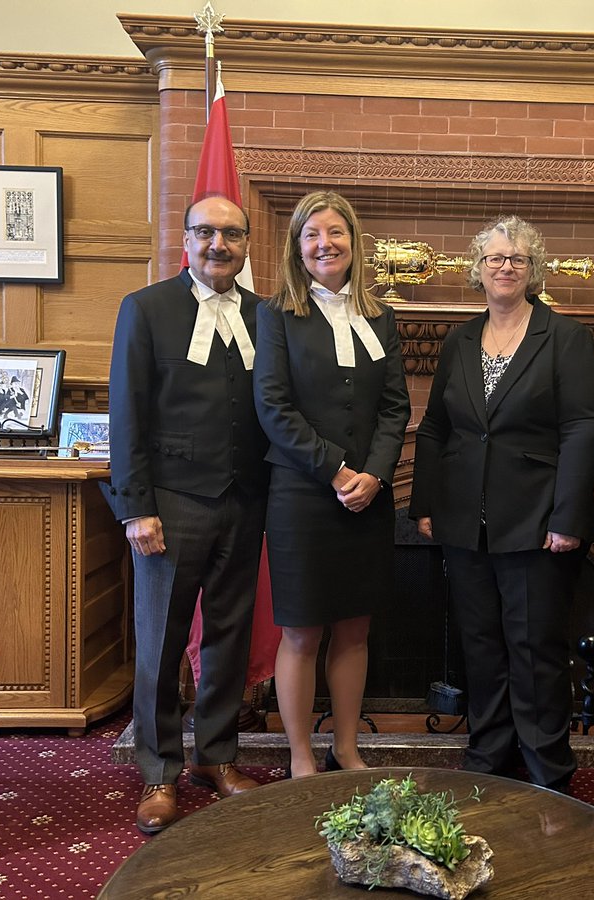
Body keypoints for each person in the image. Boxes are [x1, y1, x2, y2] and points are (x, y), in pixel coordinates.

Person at [409, 215, 594, 792]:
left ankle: (547, 766)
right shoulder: (460, 339)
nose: (505, 267)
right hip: (466, 524)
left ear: (532, 270)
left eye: (517, 259)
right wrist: (426, 503)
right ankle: (490, 755)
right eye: (495, 258)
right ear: (479, 268)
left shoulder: (564, 338)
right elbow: (435, 427)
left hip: (539, 523)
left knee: (534, 649)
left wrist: (568, 516)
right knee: (481, 645)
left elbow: (582, 427)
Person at [103, 194, 269, 834]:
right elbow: (127, 414)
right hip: (169, 506)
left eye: (231, 234)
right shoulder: (146, 309)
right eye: (206, 232)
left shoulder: (264, 316)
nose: (217, 244)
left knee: (228, 638)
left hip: (244, 500)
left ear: (247, 244)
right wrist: (136, 507)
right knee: (160, 643)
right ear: (187, 238)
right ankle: (158, 771)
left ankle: (217, 758)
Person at [253, 190, 410, 779]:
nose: (326, 244)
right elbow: (273, 406)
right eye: (313, 234)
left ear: (354, 241)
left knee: (355, 627)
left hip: (367, 496)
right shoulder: (276, 315)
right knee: (300, 631)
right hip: (301, 494)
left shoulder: (380, 315)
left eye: (336, 232)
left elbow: (396, 406)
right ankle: (299, 759)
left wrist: (374, 473)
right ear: (298, 247)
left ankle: (345, 749)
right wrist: (337, 470)